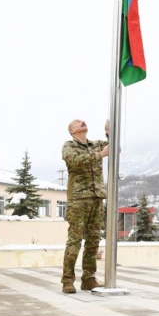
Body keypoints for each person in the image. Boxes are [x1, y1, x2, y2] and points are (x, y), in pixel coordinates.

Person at [60, 118, 110, 293]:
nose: (83, 122)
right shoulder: (69, 146)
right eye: (77, 122)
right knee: (75, 240)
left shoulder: (95, 144)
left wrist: (109, 133)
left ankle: (88, 278)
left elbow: (114, 147)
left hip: (97, 198)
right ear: (72, 131)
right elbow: (74, 161)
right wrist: (99, 155)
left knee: (93, 240)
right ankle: (67, 280)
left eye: (83, 121)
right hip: (78, 200)